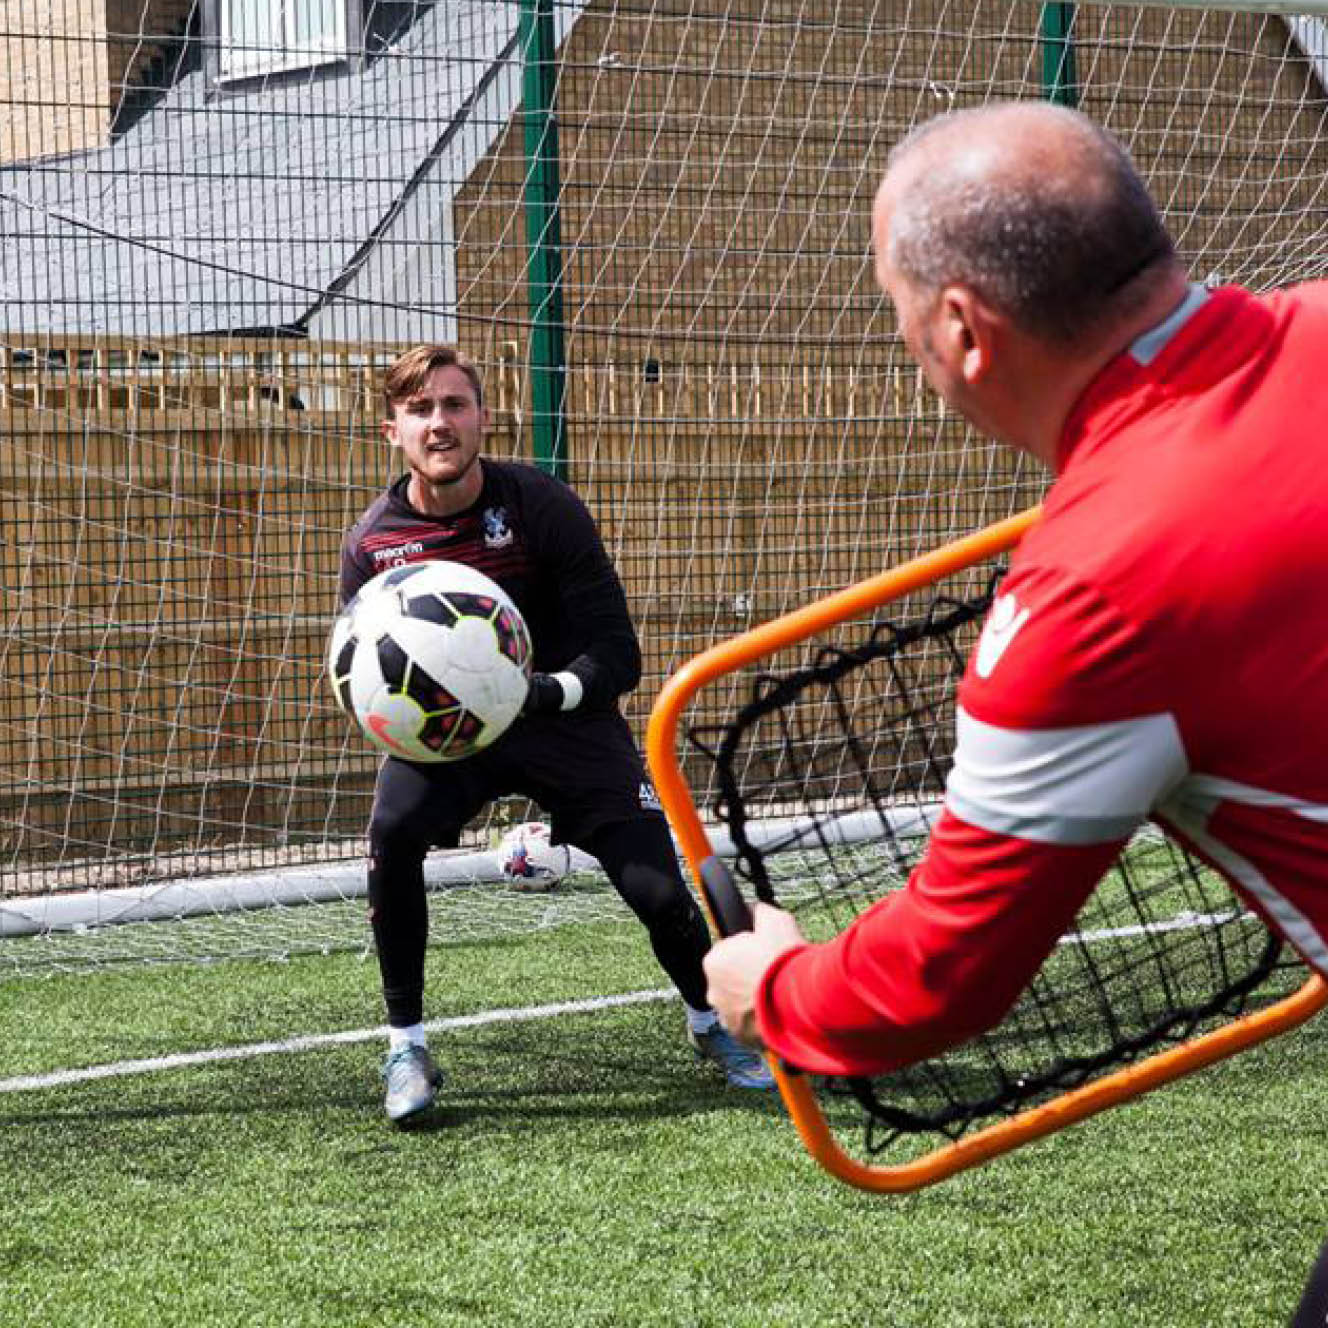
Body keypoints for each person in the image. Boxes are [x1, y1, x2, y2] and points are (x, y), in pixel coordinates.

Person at [702, 100, 1328, 1081]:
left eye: (892, 304)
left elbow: (931, 977)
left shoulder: (1089, 595)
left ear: (958, 327)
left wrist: (771, 983)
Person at [340, 344, 774, 1122]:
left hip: (563, 720)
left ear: (481, 418)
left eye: (454, 405)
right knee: (392, 834)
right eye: (420, 410)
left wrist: (539, 691)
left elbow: (619, 653)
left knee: (659, 894)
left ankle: (712, 1025)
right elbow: (365, 679)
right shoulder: (375, 545)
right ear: (392, 431)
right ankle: (406, 1046)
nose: (439, 423)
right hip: (452, 741)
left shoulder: (540, 506)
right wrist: (419, 725)